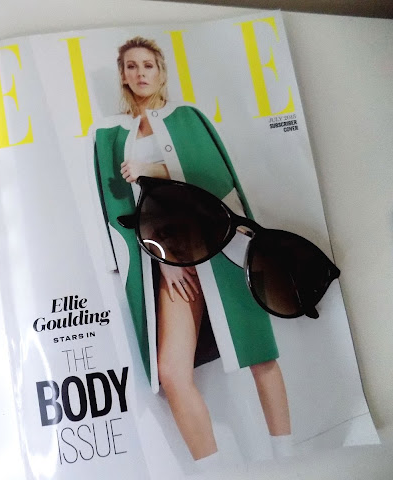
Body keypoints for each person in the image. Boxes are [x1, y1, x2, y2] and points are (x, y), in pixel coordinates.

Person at [91, 36, 293, 469]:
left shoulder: (187, 117)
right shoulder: (110, 134)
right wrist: (162, 260)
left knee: (259, 351)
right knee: (172, 372)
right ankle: (212, 471)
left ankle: (288, 461)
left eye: (148, 65)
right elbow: (119, 209)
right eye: (131, 66)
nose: (140, 73)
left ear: (161, 72)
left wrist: (150, 169)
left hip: (221, 244)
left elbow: (210, 179)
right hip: (169, 259)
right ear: (123, 75)